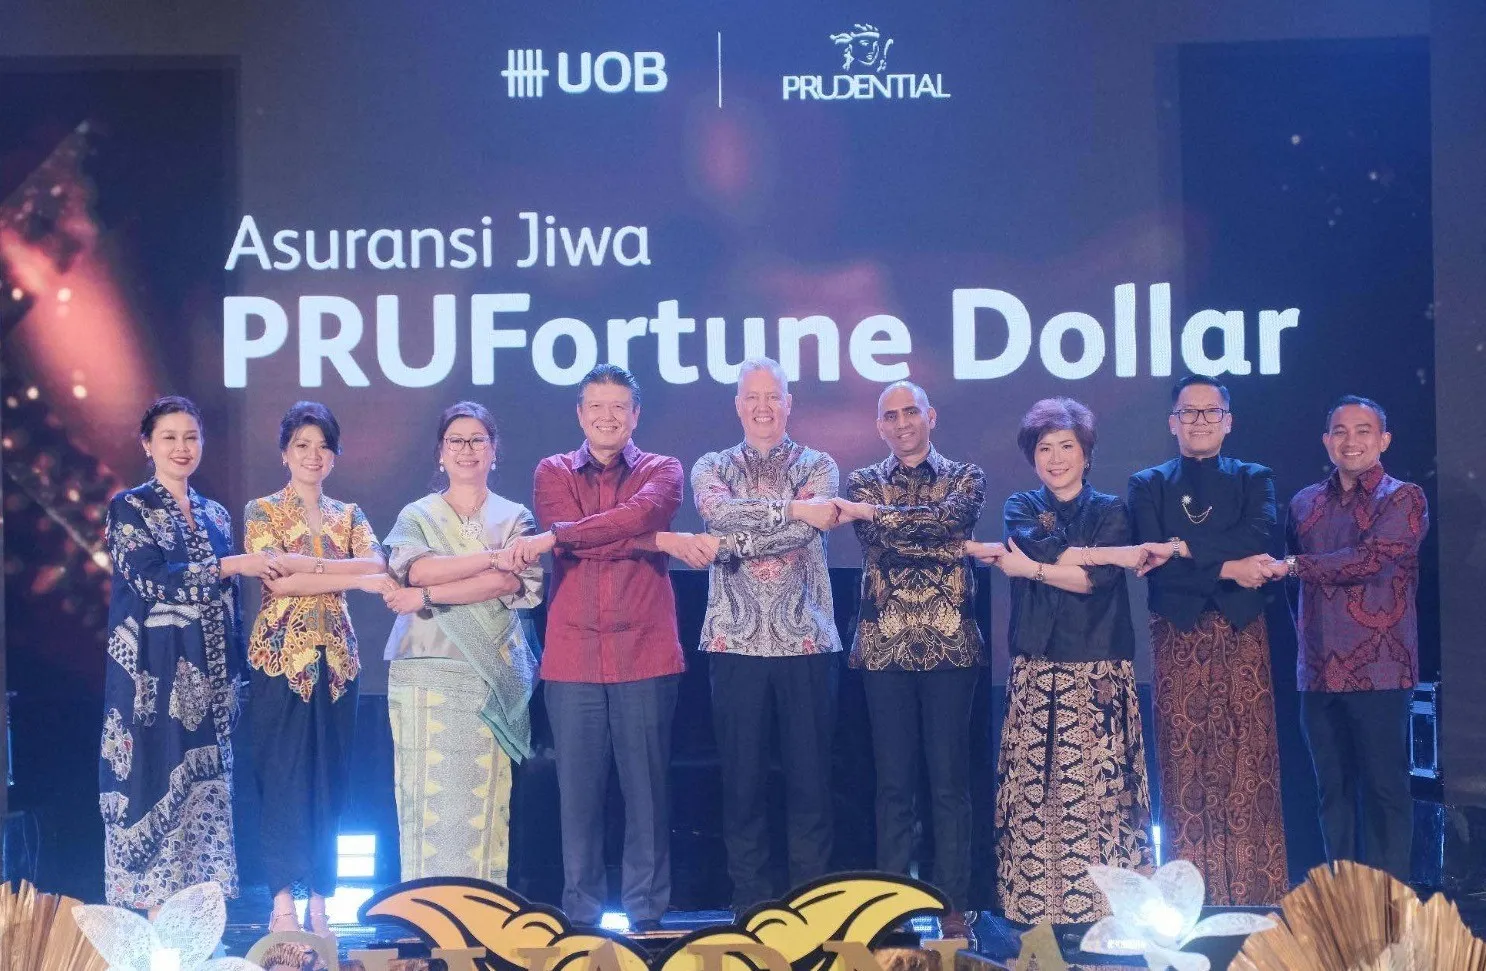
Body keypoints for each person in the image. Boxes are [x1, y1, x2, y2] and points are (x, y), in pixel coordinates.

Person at [511, 365, 705, 931]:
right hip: (572, 655)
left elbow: (630, 517)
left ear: (635, 415)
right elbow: (597, 533)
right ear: (579, 413)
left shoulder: (663, 469)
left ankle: (646, 917)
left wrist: (560, 537)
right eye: (596, 405)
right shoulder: (552, 471)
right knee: (578, 800)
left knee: (647, 796)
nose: (607, 416)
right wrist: (654, 541)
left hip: (646, 651)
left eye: (619, 406)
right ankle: (582, 921)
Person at [971, 397, 1153, 925]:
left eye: (1066, 447)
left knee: (1102, 798)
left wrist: (1031, 570)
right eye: (1045, 448)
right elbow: (1051, 554)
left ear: (1086, 454)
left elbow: (1091, 581)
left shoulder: (1112, 510)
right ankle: (1035, 915)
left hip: (1099, 670)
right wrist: (1100, 556)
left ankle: (1107, 915)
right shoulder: (1020, 506)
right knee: (1035, 796)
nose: (1055, 459)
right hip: (1036, 667)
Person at [101, 395, 276, 912]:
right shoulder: (129, 507)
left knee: (208, 794)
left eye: (191, 437)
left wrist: (236, 676)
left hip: (209, 681)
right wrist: (232, 565)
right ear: (147, 445)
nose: (182, 447)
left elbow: (229, 607)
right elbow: (151, 579)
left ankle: (195, 924)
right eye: (169, 437)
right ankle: (153, 918)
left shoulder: (215, 514)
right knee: (150, 782)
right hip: (149, 680)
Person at [1128, 376, 1288, 905]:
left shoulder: (1254, 477)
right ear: (1172, 423)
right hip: (1179, 635)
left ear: (1228, 421)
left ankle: (1255, 898)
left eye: (1210, 411)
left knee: (1249, 762)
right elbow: (1153, 564)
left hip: (1243, 634)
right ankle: (1188, 902)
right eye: (1188, 412)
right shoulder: (1148, 484)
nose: (1199, 420)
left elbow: (1258, 536)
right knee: (1185, 766)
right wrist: (1228, 567)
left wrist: (1180, 547)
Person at [833, 381, 984, 941]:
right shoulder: (862, 481)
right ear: (880, 426)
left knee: (948, 785)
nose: (902, 423)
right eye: (891, 416)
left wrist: (883, 518)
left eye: (910, 412)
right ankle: (890, 908)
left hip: (950, 646)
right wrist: (935, 536)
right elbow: (897, 539)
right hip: (884, 648)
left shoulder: (967, 476)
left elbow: (949, 522)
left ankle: (953, 908)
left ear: (931, 416)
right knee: (893, 786)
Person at [692, 356, 842, 911]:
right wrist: (794, 510)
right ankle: (751, 906)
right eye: (752, 397)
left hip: (807, 639)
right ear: (737, 405)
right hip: (734, 640)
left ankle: (812, 905)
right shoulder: (711, 465)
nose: (762, 407)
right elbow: (717, 513)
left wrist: (731, 541)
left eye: (772, 396)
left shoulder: (819, 464)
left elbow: (804, 530)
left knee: (811, 785)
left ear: (788, 404)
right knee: (742, 786)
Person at [242, 402, 391, 938]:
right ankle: (282, 903)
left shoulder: (349, 514)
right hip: (279, 660)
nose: (313, 455)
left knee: (331, 783)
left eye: (323, 446)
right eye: (302, 445)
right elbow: (279, 581)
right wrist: (347, 575)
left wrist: (315, 566)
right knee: (282, 779)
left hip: (339, 664)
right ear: (284, 453)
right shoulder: (261, 511)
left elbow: (377, 564)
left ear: (334, 456)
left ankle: (321, 905)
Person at [1264, 396, 1428, 882]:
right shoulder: (1304, 503)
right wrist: (1305, 636)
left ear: (1384, 440)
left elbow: (1371, 560)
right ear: (1326, 440)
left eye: (1363, 430)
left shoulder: (1404, 498)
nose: (1350, 441)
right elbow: (1293, 588)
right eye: (1340, 431)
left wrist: (1293, 566)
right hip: (1318, 671)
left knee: (1384, 791)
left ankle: (1389, 901)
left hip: (1381, 669)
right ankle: (1342, 899)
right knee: (1331, 792)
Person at [381, 401, 543, 887]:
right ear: (440, 452)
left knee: (483, 799)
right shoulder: (417, 515)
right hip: (423, 672)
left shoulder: (516, 516)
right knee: (424, 796)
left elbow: (509, 584)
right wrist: (490, 559)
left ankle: (483, 911)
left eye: (478, 440)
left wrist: (429, 596)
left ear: (494, 451)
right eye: (456, 440)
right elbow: (417, 569)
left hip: (487, 673)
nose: (467, 449)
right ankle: (424, 912)